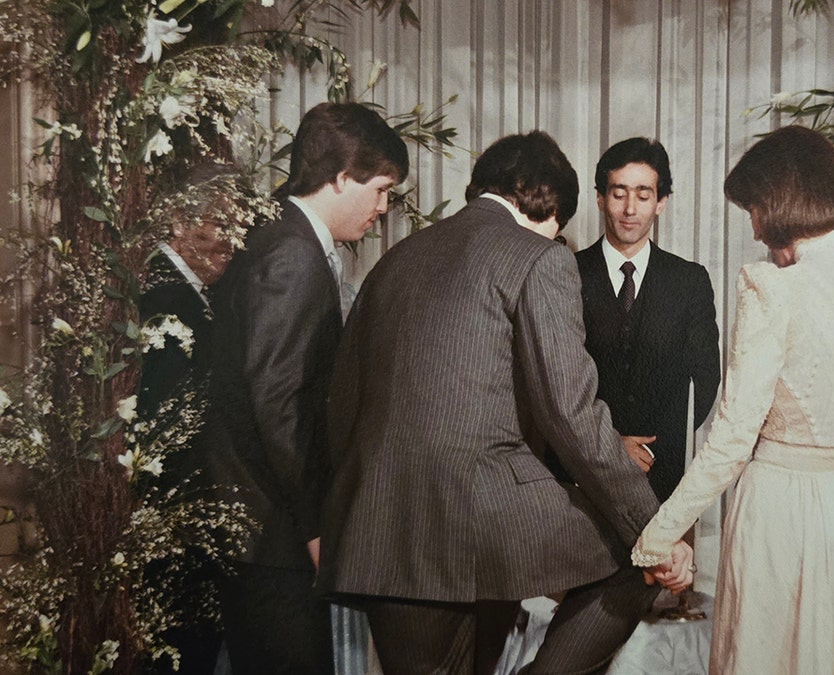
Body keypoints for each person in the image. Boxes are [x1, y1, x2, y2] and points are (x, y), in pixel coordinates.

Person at [317, 130, 694, 675]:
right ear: (548, 207)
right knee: (636, 557)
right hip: (486, 517)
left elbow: (342, 405)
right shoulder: (538, 256)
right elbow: (571, 412)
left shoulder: (392, 262)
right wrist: (654, 530)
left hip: (381, 528)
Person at [632, 125, 834, 674]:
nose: (755, 225)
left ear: (777, 202)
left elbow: (733, 437)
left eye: (752, 208)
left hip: (780, 510)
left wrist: (660, 533)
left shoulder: (772, 289)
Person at [203, 102, 409, 675]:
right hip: (272, 533)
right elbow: (280, 405)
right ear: (342, 177)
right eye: (381, 190)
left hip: (264, 527)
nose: (382, 210)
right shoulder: (292, 255)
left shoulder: (281, 238)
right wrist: (317, 525)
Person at [569, 137, 720, 501]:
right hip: (579, 476)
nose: (630, 209)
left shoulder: (689, 280)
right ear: (600, 198)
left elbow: (704, 380)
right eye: (619, 193)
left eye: (643, 194)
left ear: (661, 203)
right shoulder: (568, 273)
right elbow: (554, 381)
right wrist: (607, 446)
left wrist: (653, 450)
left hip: (662, 479)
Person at [138, 164, 237, 675]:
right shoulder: (164, 296)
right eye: (223, 222)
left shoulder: (185, 289)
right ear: (179, 220)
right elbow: (164, 422)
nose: (233, 238)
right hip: (174, 518)